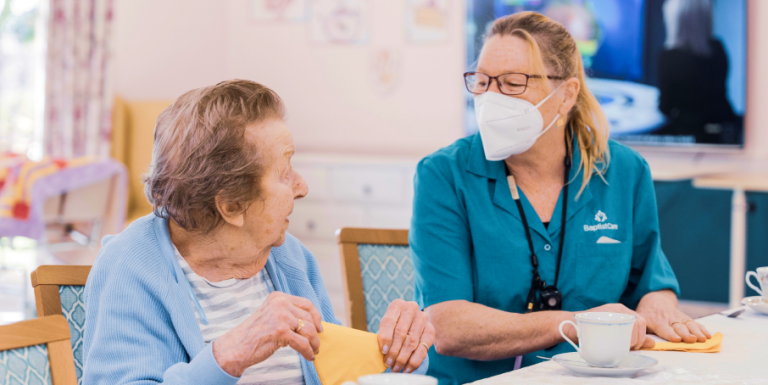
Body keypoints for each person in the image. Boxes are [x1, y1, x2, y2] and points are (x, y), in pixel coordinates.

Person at [409, 12, 711, 385]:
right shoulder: (444, 175)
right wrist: (575, 324)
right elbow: (448, 326)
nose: (490, 98)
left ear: (566, 94)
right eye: (482, 82)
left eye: (512, 83)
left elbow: (651, 283)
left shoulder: (624, 172)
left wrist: (658, 307)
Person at [83, 80, 434, 384]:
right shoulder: (131, 267)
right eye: (284, 170)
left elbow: (338, 372)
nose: (301, 186)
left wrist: (399, 353)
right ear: (231, 205)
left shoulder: (288, 256)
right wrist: (231, 354)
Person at [657, 0, 740, 143]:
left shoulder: (668, 57)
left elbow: (665, 107)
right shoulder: (718, 48)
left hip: (688, 134)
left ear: (675, 20)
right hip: (724, 127)